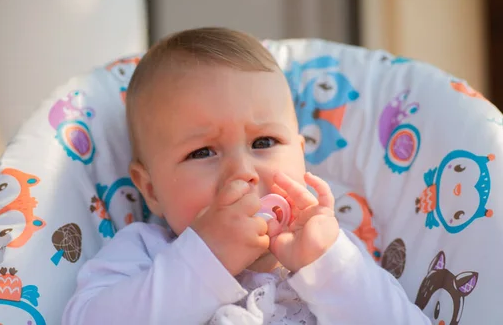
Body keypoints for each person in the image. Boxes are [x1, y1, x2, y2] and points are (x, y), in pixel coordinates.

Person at [62, 27, 430, 324]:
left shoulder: (332, 253)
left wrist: (329, 265)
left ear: (301, 157)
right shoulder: (143, 254)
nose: (243, 172)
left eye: (264, 141)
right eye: (202, 152)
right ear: (150, 189)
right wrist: (206, 259)